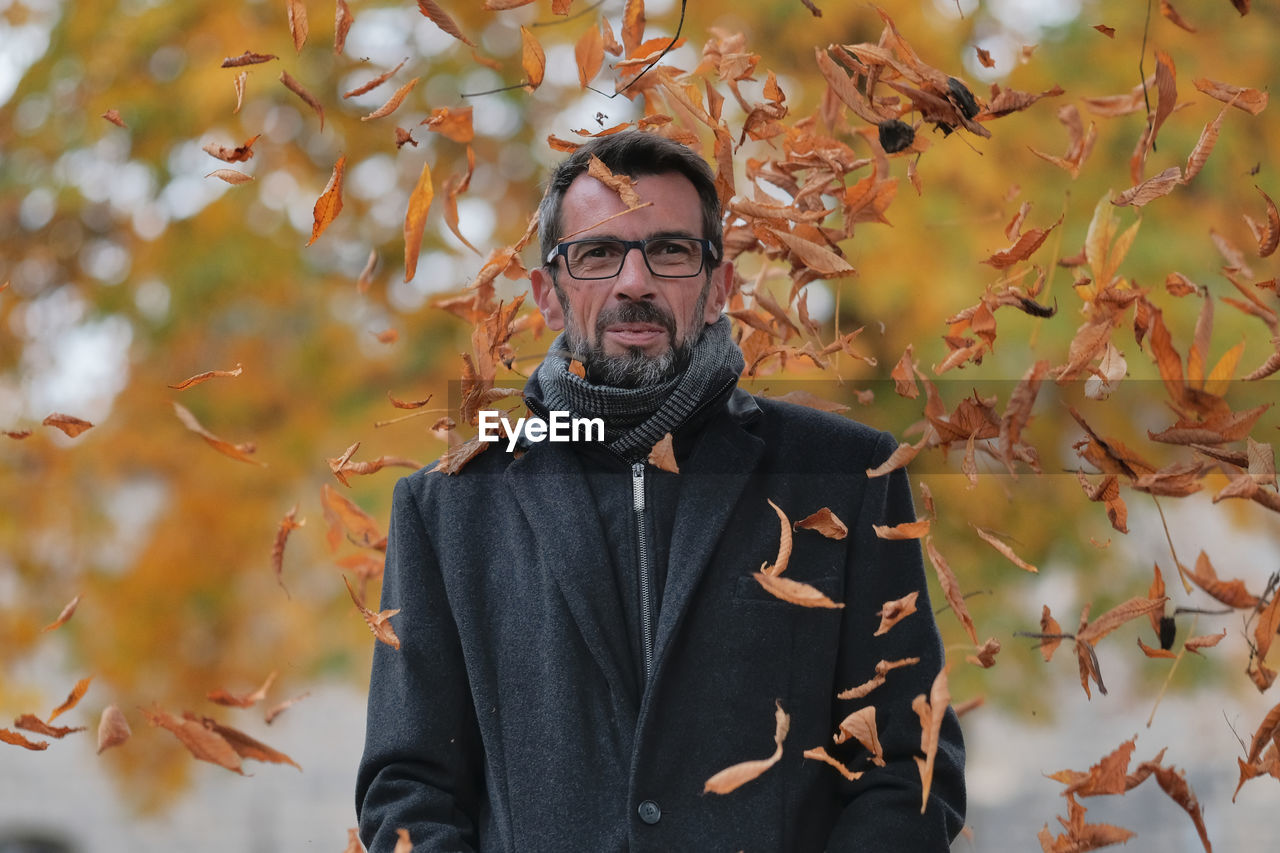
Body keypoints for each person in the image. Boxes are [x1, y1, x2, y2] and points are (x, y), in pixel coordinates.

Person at [355, 131, 965, 851]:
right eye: (598, 253)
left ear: (719, 289)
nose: (634, 283)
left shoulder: (849, 474)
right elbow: (408, 788)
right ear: (547, 295)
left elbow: (910, 761)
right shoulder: (449, 505)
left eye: (671, 251)